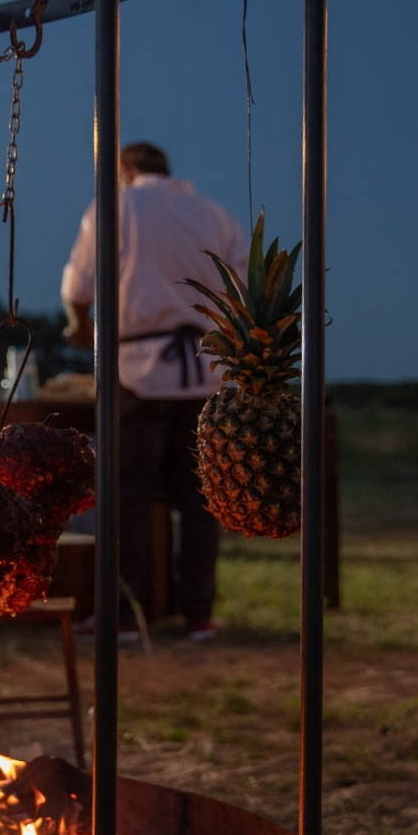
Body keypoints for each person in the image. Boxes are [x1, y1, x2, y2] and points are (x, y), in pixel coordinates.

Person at [59, 141, 244, 642]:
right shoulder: (214, 215)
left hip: (137, 370)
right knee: (201, 499)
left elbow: (78, 289)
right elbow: (244, 292)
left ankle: (120, 616)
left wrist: (80, 330)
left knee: (126, 497)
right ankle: (198, 616)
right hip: (206, 373)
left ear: (126, 169)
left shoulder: (115, 206)